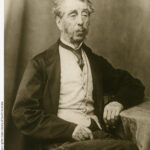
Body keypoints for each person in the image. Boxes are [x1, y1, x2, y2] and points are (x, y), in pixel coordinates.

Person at [12, 0, 145, 149]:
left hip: (96, 136)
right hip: (60, 141)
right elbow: (23, 114)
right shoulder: (41, 64)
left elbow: (134, 84)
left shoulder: (94, 62)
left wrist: (118, 101)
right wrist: (70, 130)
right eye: (73, 15)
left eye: (85, 14)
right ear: (59, 22)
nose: (81, 21)